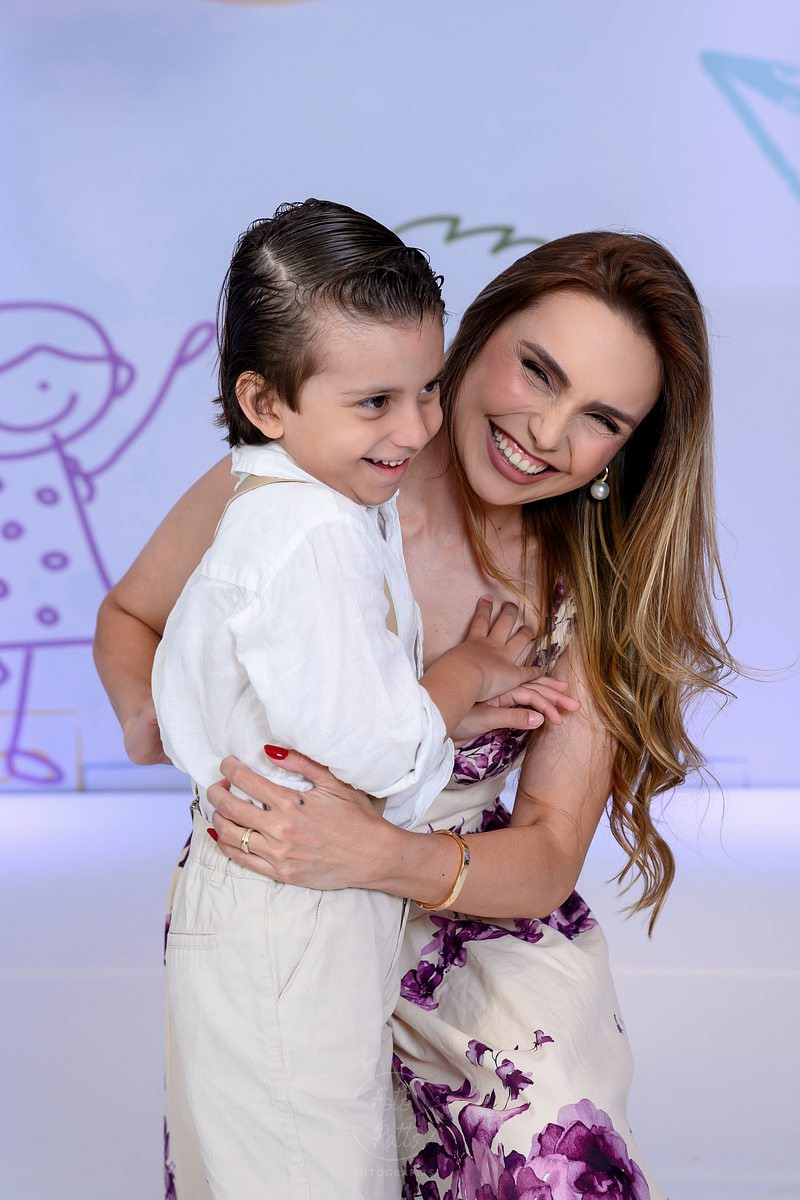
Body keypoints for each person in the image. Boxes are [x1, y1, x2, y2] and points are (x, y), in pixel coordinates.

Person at [95, 229, 736, 1200]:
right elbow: (132, 616)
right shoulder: (292, 485)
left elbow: (548, 851)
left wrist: (379, 854)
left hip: (467, 914)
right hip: (287, 908)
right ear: (475, 335)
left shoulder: (589, 589)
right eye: (537, 371)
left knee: (548, 1152)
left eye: (600, 418)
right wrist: (163, 720)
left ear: (626, 448)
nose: (546, 432)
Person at [149, 199, 575, 1200]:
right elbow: (377, 753)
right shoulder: (310, 536)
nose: (417, 428)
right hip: (293, 910)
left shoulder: (307, 504)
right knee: (315, 1169)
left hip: (292, 902)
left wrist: (432, 711)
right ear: (266, 403)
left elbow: (330, 704)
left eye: (427, 389)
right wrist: (464, 673)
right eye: (376, 401)